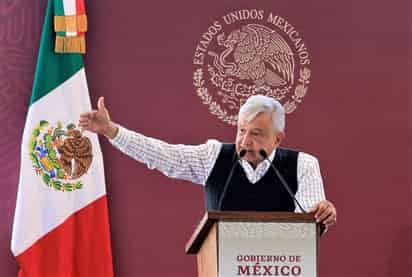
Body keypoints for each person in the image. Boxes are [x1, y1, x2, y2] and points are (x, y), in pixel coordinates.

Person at [78, 95, 337, 228]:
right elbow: (162, 155)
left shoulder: (303, 165)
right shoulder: (213, 156)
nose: (245, 141)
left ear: (278, 139)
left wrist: (323, 213)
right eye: (241, 130)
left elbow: (312, 219)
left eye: (256, 134)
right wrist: (112, 131)